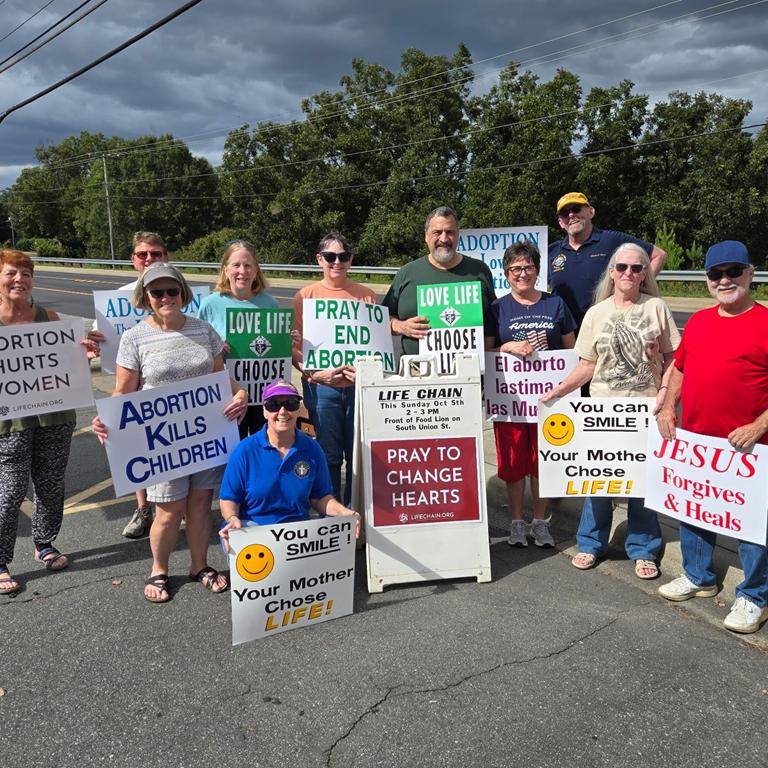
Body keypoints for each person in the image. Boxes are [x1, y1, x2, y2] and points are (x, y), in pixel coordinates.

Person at [92, 263, 248, 603]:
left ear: (183, 293)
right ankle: (159, 569)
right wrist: (106, 419)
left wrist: (241, 395)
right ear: (146, 297)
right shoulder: (135, 338)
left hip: (204, 439)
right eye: (157, 292)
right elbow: (124, 392)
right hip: (162, 444)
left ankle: (199, 566)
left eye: (171, 291)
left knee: (201, 502)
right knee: (168, 510)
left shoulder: (204, 331)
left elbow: (223, 381)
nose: (165, 297)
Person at [541, 243, 680, 579]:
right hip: (603, 410)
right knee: (598, 482)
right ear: (612, 272)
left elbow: (676, 357)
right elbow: (588, 364)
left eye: (635, 268)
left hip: (645, 411)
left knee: (641, 485)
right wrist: (558, 391)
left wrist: (665, 394)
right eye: (621, 268)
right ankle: (590, 543)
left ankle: (644, 548)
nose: (628, 274)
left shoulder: (657, 308)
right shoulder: (597, 313)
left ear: (645, 271)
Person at [656, 241, 768, 633]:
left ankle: (754, 596)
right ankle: (699, 576)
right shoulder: (701, 323)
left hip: (751, 448)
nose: (725, 280)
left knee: (751, 524)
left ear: (750, 273)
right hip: (699, 443)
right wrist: (669, 407)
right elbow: (680, 370)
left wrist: (758, 426)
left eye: (733, 271)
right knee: (696, 511)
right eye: (715, 274)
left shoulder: (765, 323)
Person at [0, 249, 97, 595]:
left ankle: (44, 543)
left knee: (51, 484)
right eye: (12, 273)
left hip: (55, 416)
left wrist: (83, 353)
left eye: (26, 274)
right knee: (9, 492)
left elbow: (71, 369)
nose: (19, 280)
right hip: (10, 422)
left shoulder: (50, 318)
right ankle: (0, 559)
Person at [491, 241, 576, 548]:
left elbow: (572, 351)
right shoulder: (498, 308)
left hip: (548, 401)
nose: (522, 273)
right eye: (515, 268)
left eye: (528, 267)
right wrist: (507, 346)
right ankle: (516, 522)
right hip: (511, 402)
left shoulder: (555, 305)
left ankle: (539, 522)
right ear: (506, 273)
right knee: (514, 463)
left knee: (543, 461)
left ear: (538, 271)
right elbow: (486, 351)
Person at [88, 231, 170, 540]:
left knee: (177, 447)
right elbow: (99, 342)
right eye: (142, 255)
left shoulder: (184, 293)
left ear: (166, 256)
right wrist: (93, 344)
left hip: (175, 387)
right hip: (135, 388)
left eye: (156, 253)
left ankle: (177, 507)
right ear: (133, 260)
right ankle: (143, 508)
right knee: (139, 450)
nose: (149, 259)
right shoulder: (117, 301)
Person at [292, 232, 378, 506]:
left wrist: (367, 373)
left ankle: (354, 515)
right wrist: (315, 374)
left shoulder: (367, 296)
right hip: (322, 389)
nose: (336, 262)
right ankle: (331, 513)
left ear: (350, 260)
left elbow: (377, 347)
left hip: (358, 389)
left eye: (343, 256)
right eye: (330, 256)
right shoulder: (305, 296)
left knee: (357, 457)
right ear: (319, 259)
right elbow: (294, 351)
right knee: (328, 455)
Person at [218, 380, 359, 548]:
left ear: (298, 409)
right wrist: (232, 519)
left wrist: (345, 513)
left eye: (290, 404)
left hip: (296, 534)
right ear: (264, 411)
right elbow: (228, 498)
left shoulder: (312, 448)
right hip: (253, 529)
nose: (283, 411)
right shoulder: (245, 450)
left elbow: (321, 497)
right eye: (274, 405)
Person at [382, 206, 496, 357]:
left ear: (458, 235)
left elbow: (491, 324)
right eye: (437, 232)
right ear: (426, 236)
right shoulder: (407, 273)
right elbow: (382, 319)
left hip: (470, 375)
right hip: (416, 375)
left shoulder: (479, 271)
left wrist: (486, 364)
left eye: (450, 232)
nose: (444, 239)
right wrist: (401, 326)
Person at [548, 193, 667, 330]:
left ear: (591, 212)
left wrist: (636, 287)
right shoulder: (551, 251)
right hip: (565, 331)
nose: (571, 215)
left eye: (576, 209)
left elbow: (658, 255)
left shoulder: (612, 240)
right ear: (560, 222)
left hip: (606, 326)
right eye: (564, 213)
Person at [198, 239, 278, 438]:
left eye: (248, 265)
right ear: (225, 270)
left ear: (256, 269)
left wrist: (286, 340)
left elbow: (276, 347)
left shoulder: (269, 303)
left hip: (263, 392)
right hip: (228, 396)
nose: (242, 271)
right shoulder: (210, 305)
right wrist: (215, 348)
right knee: (233, 452)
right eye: (236, 265)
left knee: (264, 448)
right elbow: (198, 350)